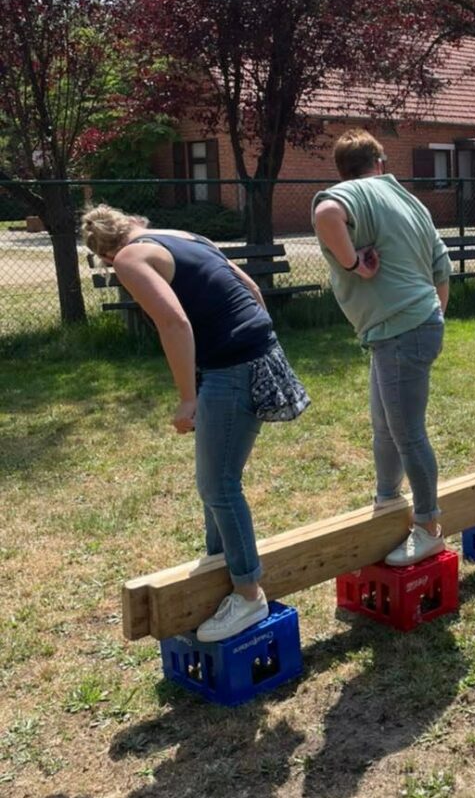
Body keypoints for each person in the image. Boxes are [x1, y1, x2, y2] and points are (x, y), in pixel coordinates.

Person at [81, 204, 309, 642]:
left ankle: (248, 595)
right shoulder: (184, 235)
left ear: (105, 255)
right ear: (135, 224)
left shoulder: (129, 259)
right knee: (216, 479)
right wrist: (256, 339)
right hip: (258, 352)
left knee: (218, 485)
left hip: (231, 368)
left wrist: (189, 398)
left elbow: (173, 322)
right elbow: (250, 288)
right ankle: (220, 567)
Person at [312, 132, 450, 566]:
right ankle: (388, 500)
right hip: (410, 325)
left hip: (400, 330)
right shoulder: (410, 201)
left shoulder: (351, 193)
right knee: (385, 426)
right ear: (381, 161)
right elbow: (441, 267)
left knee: (407, 432)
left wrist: (354, 264)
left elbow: (326, 212)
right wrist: (432, 316)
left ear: (342, 170)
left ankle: (429, 528)